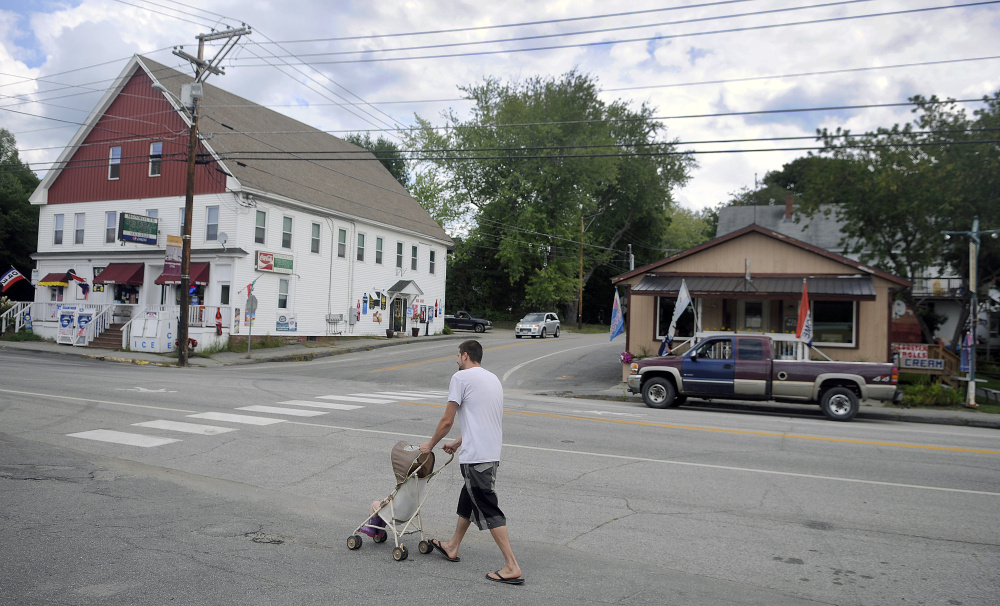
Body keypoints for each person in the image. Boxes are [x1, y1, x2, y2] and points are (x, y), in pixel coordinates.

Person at [419, 340, 524, 585]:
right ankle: (452, 546)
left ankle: (512, 565)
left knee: (487, 505)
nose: (456, 360)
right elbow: (483, 421)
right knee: (468, 496)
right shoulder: (492, 379)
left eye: (457, 356)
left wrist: (430, 444)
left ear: (465, 356)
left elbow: (446, 420)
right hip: (489, 453)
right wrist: (457, 442)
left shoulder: (461, 379)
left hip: (477, 457)